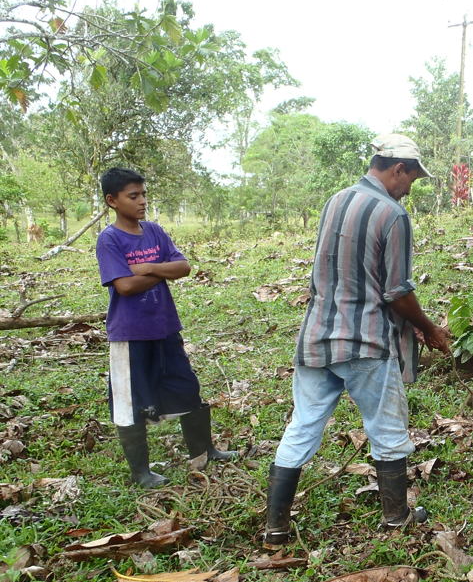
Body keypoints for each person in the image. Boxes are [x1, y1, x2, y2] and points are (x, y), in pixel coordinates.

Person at [263, 133, 451, 546]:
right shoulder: (392, 214)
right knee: (387, 428)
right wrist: (431, 328)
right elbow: (397, 292)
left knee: (302, 426)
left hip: (316, 336)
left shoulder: (336, 200)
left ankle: (275, 527)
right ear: (397, 169)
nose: (409, 188)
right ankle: (397, 518)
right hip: (366, 341)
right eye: (412, 180)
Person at [96, 167, 237, 488]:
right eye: (134, 196)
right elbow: (125, 287)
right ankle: (141, 472)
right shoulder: (109, 239)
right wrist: (164, 271)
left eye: (143, 194)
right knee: (130, 401)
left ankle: (205, 450)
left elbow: (184, 267)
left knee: (186, 386)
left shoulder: (155, 232)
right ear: (112, 200)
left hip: (165, 327)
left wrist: (148, 267)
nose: (142, 201)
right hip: (130, 335)